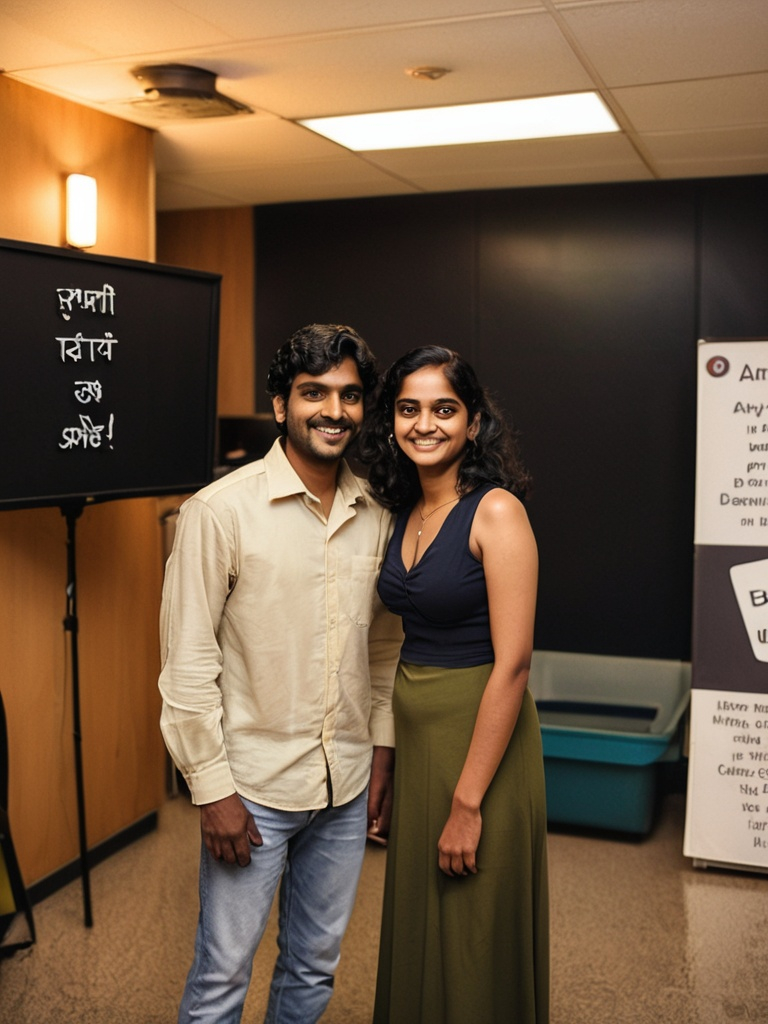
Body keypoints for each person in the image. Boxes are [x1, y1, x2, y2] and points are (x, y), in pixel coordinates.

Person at [158, 324, 402, 1024]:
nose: (334, 410)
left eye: (350, 395)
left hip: (346, 786)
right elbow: (187, 667)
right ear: (279, 405)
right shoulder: (219, 512)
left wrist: (380, 752)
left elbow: (383, 650)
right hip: (252, 789)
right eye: (314, 393)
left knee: (313, 968)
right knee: (221, 976)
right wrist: (210, 791)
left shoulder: (375, 513)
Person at [360, 345, 549, 1024]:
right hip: (418, 739)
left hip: (481, 744)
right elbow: (391, 647)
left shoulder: (495, 512)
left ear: (473, 423)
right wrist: (385, 759)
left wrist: (468, 802)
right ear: (391, 421)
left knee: (472, 932)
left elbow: (515, 663)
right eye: (409, 408)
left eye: (445, 408)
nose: (425, 424)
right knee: (421, 919)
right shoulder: (404, 509)